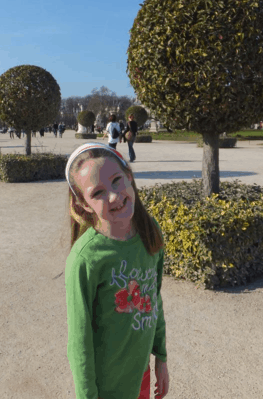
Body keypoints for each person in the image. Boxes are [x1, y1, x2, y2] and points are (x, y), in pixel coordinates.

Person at [64, 142, 169, 399]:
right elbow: (80, 340)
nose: (113, 196)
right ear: (83, 205)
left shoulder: (149, 230)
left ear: (129, 176)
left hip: (140, 374)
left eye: (116, 181)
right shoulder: (86, 259)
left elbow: (153, 298)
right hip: (107, 387)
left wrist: (161, 356)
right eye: (97, 192)